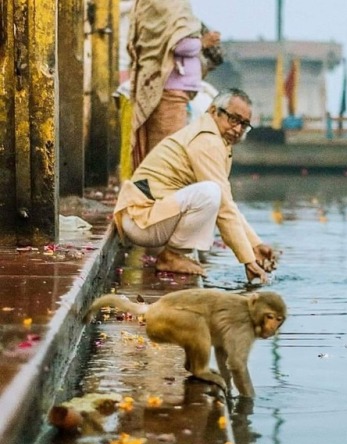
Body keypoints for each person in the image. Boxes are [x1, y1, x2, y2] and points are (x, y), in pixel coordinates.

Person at [113, 88, 277, 284]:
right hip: (141, 221)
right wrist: (248, 260)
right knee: (210, 193)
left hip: (149, 219)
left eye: (244, 125)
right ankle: (171, 256)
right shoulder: (207, 140)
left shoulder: (216, 139)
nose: (237, 129)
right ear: (214, 111)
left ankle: (174, 254)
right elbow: (224, 206)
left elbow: (228, 205)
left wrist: (255, 244)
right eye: (233, 119)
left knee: (214, 194)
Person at [127, 0, 221, 169]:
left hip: (172, 88)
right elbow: (178, 44)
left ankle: (160, 190)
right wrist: (203, 42)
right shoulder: (167, 4)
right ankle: (160, 192)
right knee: (167, 150)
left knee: (167, 147)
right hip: (170, 88)